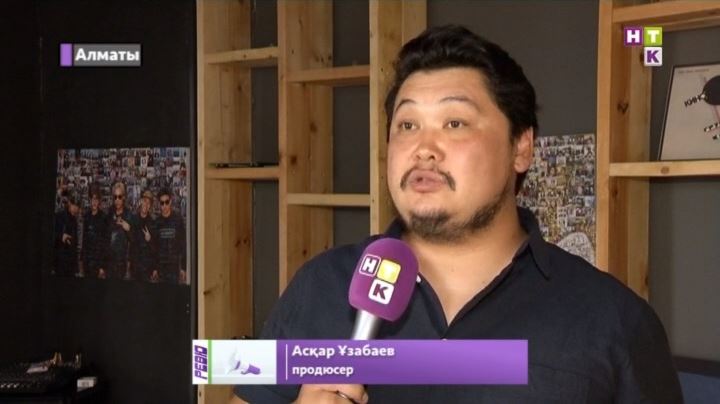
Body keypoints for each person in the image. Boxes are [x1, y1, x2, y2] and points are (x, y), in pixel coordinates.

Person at [233, 25, 682, 403]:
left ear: (521, 148)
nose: (423, 148)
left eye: (454, 123)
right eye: (407, 125)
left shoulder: (615, 321)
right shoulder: (320, 286)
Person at [155, 189, 186, 284]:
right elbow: (154, 247)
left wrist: (183, 268)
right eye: (162, 203)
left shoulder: (178, 220)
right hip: (161, 268)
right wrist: (154, 268)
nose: (164, 206)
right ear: (159, 204)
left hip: (174, 268)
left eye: (166, 202)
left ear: (171, 201)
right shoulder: (156, 222)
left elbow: (183, 245)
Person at [81, 185, 108, 279]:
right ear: (90, 200)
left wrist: (102, 266)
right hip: (87, 262)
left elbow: (105, 243)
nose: (94, 202)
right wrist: (82, 260)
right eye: (93, 199)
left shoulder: (103, 218)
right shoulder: (86, 216)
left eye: (96, 200)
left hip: (98, 262)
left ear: (99, 201)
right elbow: (84, 240)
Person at [107, 182, 134, 280]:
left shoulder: (129, 215)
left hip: (122, 263)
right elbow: (105, 238)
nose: (117, 200)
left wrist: (129, 229)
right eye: (115, 197)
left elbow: (134, 240)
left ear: (124, 197)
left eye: (119, 197)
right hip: (109, 262)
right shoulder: (110, 213)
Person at [131, 189, 157, 282]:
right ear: (141, 201)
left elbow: (155, 248)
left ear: (150, 206)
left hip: (147, 267)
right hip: (135, 266)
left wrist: (149, 240)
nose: (146, 204)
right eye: (144, 201)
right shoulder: (133, 219)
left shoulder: (153, 223)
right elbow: (130, 243)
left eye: (149, 203)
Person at [53, 191, 80, 276]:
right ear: (69, 203)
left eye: (77, 207)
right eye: (74, 206)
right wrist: (61, 236)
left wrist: (76, 267)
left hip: (70, 264)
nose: (76, 209)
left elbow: (75, 243)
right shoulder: (59, 216)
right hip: (60, 262)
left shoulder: (74, 220)